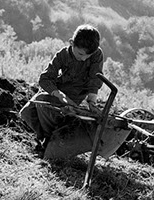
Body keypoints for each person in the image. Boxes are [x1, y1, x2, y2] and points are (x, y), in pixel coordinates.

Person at [19, 24, 104, 152]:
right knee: (26, 112)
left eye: (88, 56)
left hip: (75, 96)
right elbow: (45, 78)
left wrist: (91, 101)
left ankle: (50, 141)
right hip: (58, 92)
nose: (84, 58)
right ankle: (47, 138)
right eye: (80, 54)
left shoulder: (96, 55)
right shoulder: (62, 55)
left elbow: (95, 77)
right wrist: (58, 94)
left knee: (42, 103)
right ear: (71, 43)